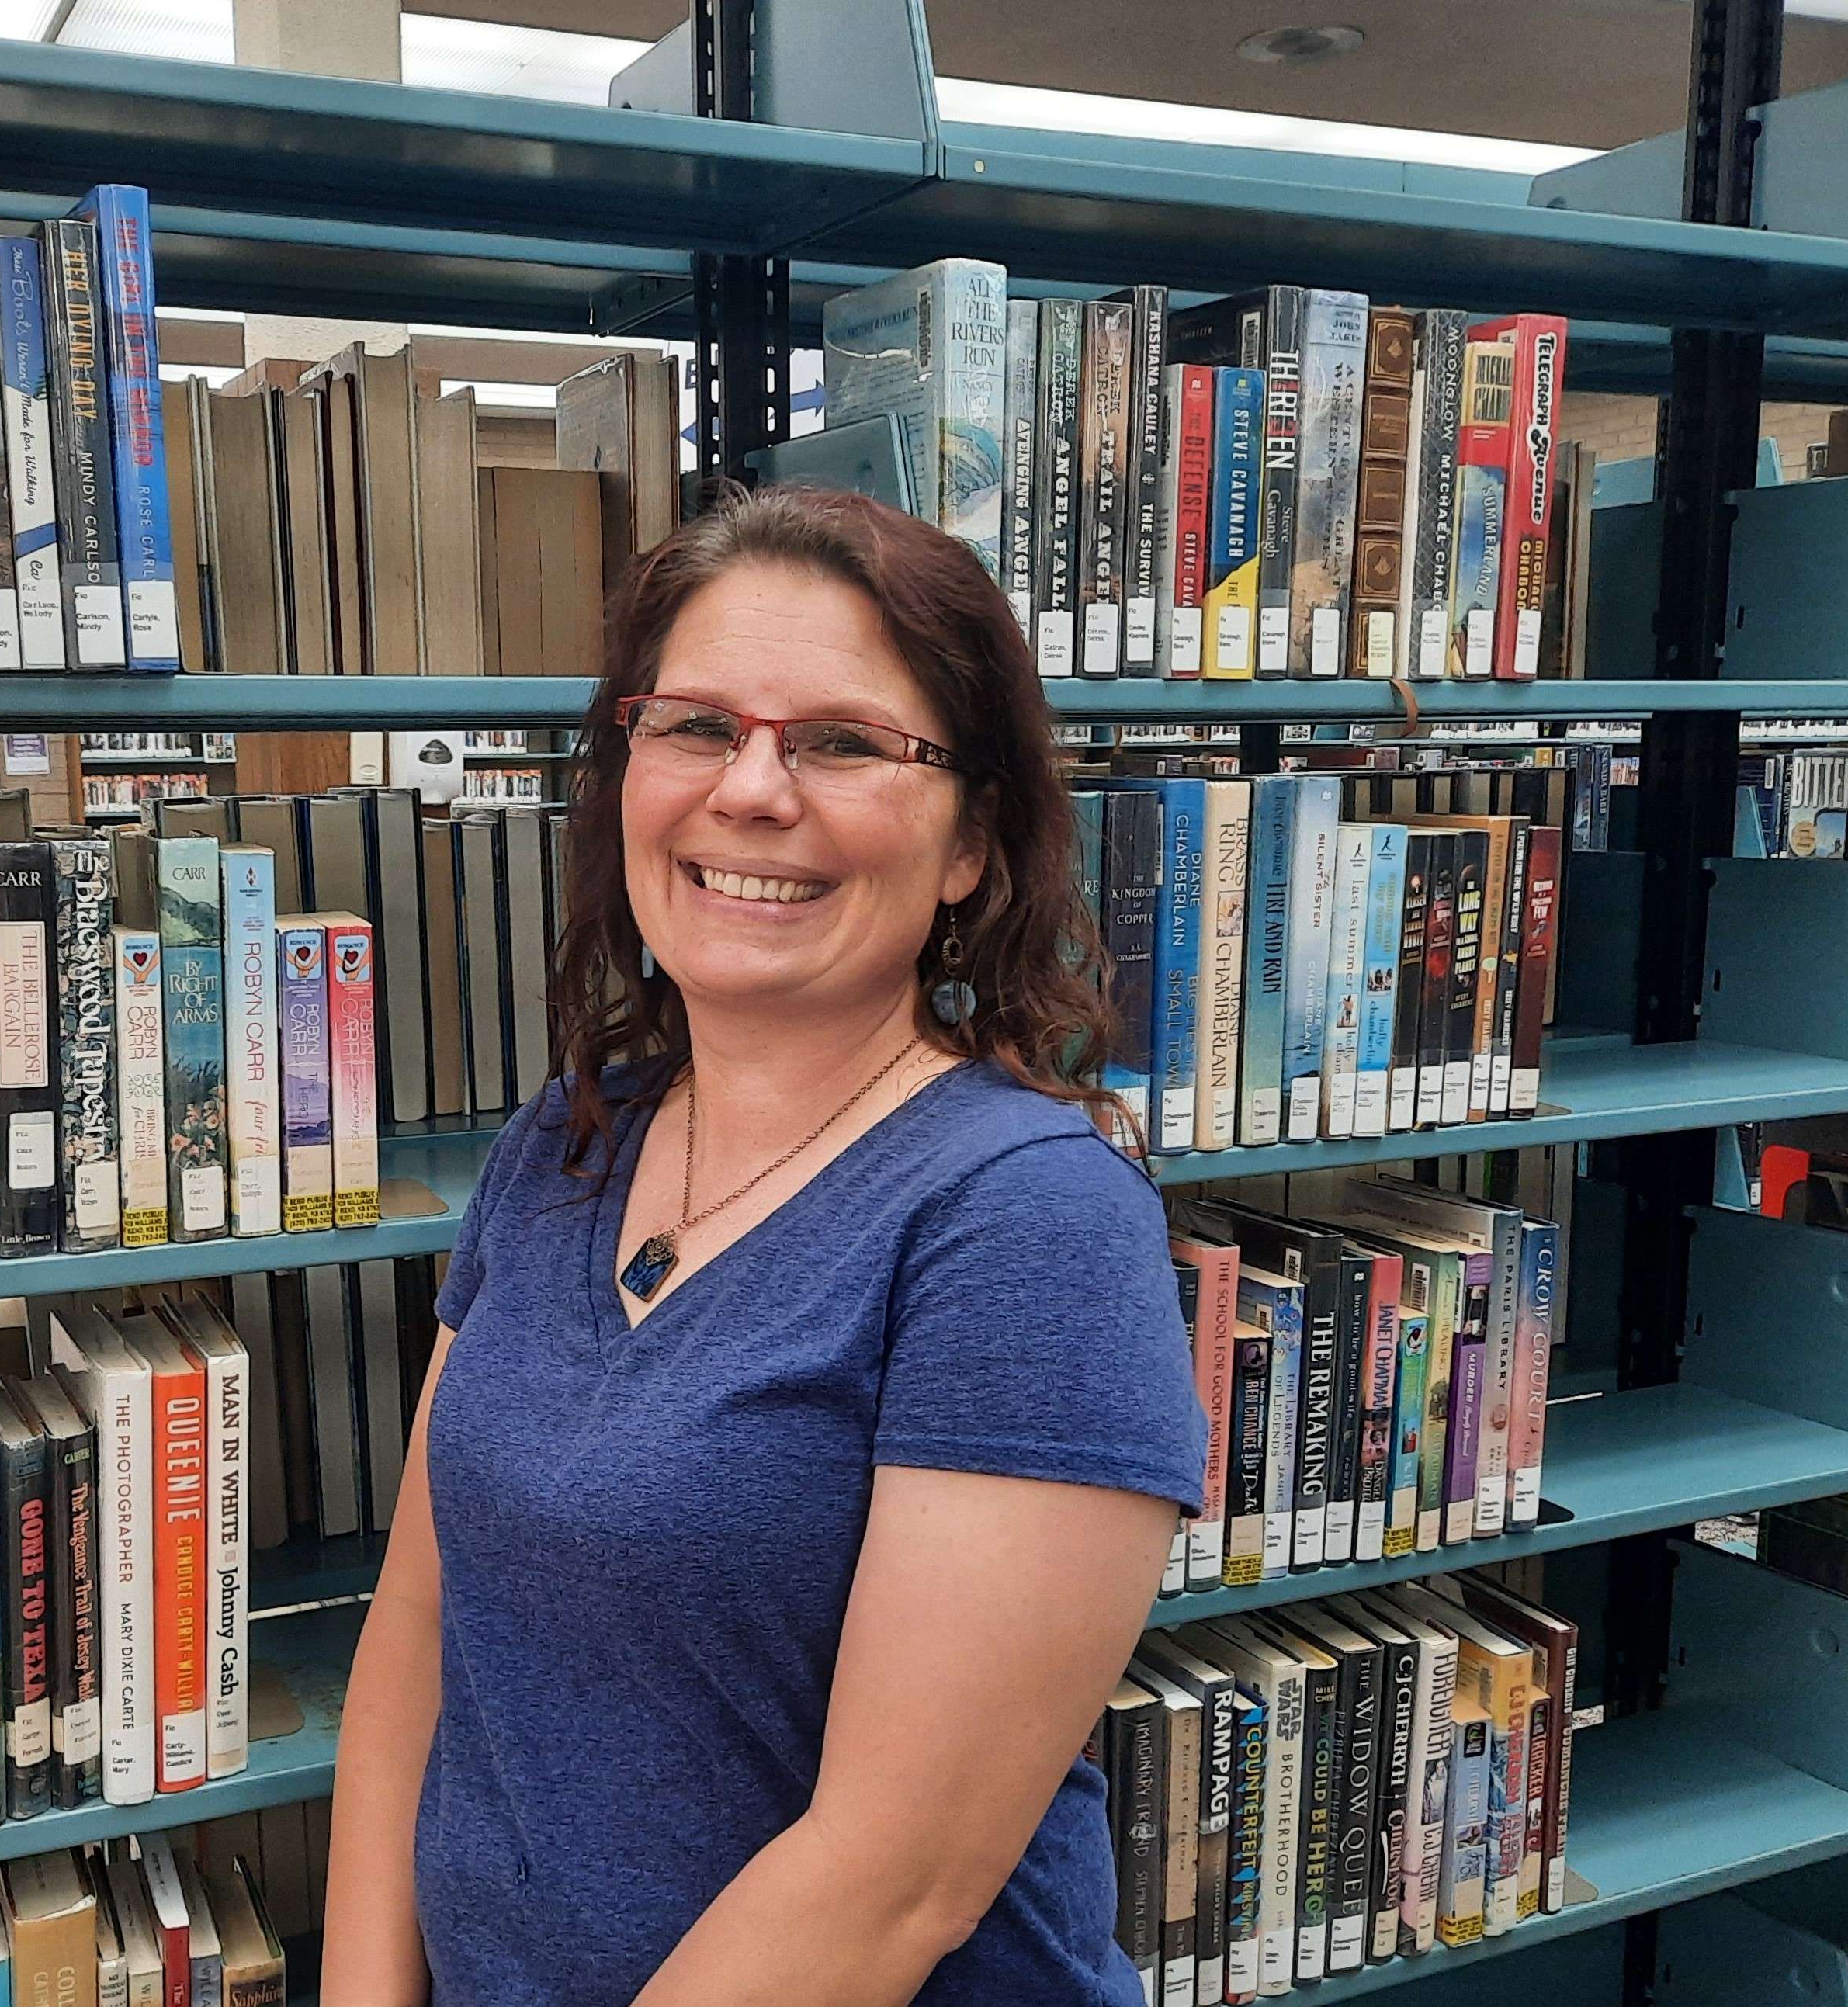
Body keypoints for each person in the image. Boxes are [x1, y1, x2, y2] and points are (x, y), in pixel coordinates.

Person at [324, 484, 1207, 2007]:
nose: (748, 791)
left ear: (967, 846)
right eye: (692, 727)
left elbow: (888, 1880)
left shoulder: (1027, 1219)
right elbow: (419, 1629)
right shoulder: (562, 1144)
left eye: (841, 743)